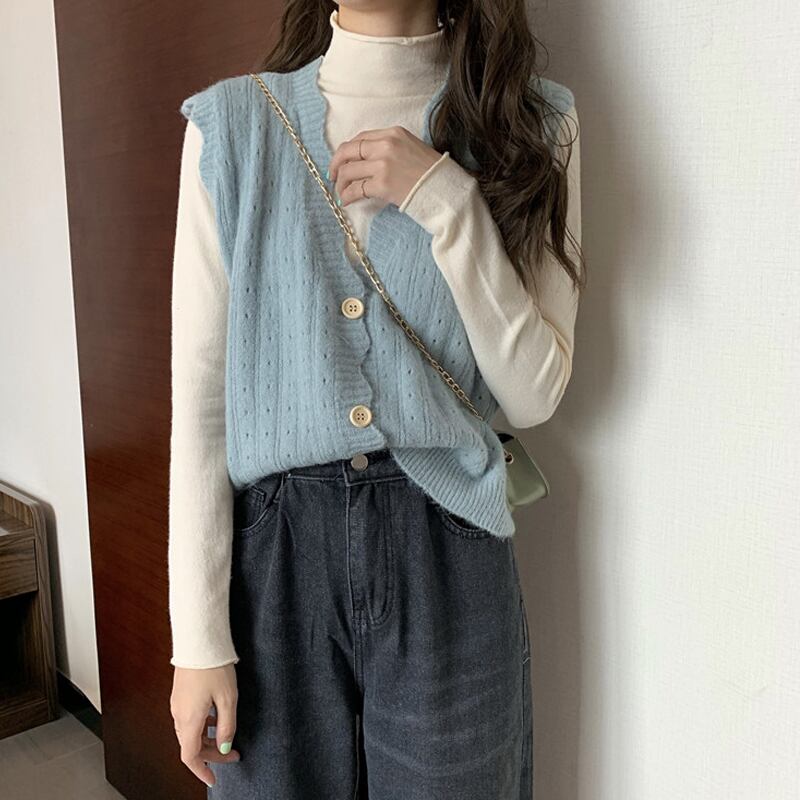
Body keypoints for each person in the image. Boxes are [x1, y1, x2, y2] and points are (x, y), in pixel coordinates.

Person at [168, 2, 584, 798]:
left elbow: (534, 394)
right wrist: (198, 640)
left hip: (448, 544)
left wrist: (449, 204)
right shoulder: (232, 128)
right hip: (274, 561)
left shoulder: (535, 126)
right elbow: (201, 404)